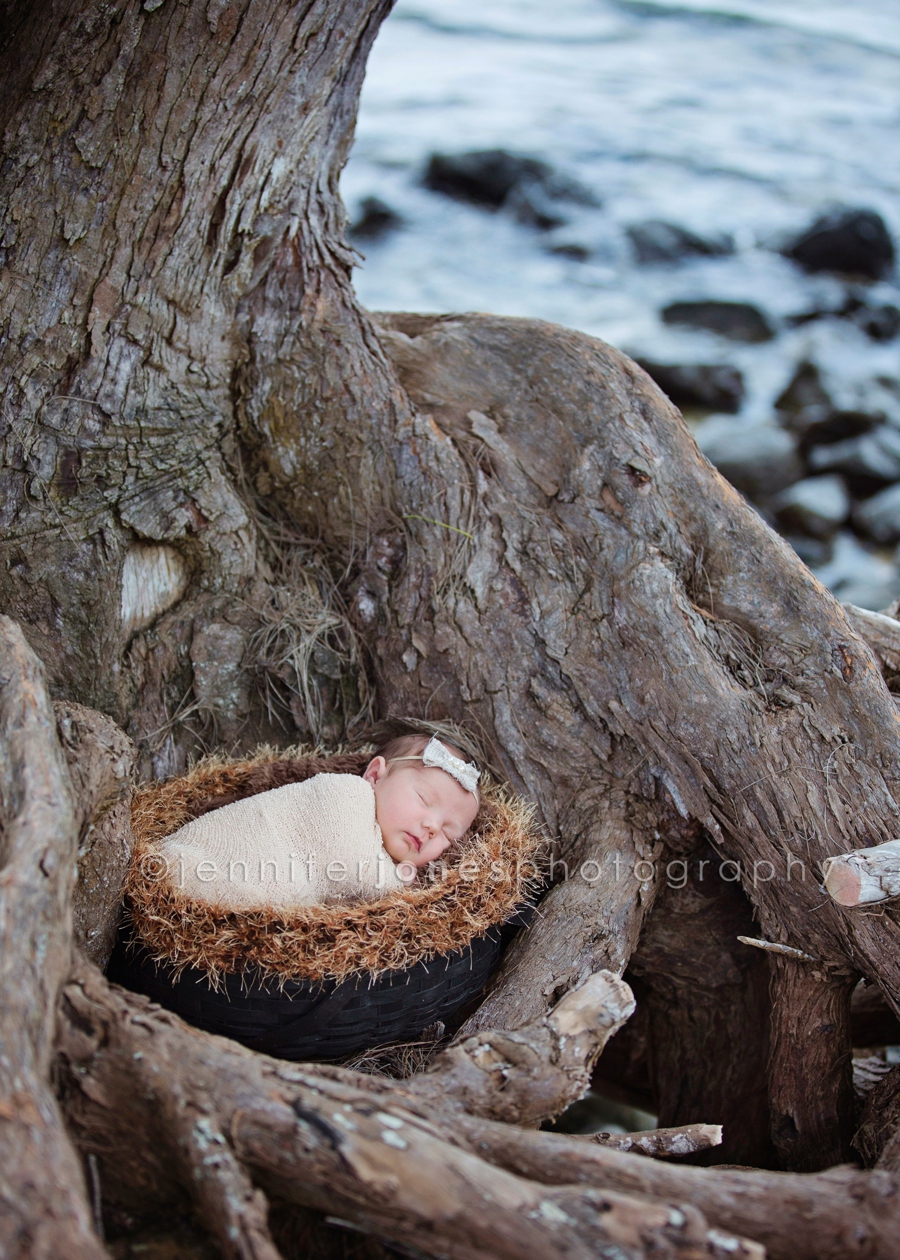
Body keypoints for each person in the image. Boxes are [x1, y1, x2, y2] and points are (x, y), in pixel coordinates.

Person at [153, 731, 481, 910]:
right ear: (375, 775)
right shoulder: (345, 795)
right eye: (423, 800)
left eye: (448, 835)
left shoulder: (380, 845)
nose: (432, 827)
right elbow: (353, 865)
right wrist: (400, 883)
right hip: (201, 861)